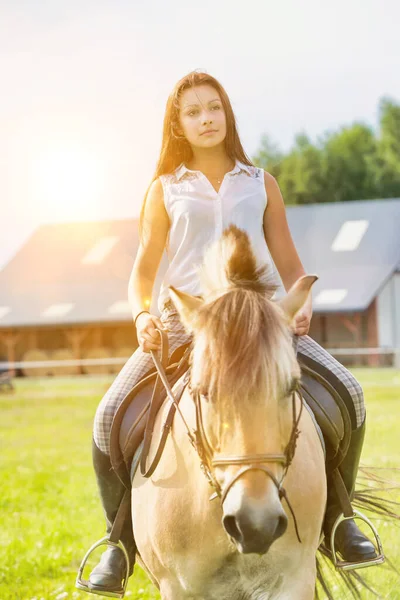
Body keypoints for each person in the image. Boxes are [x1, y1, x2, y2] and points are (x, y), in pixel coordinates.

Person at [84, 71, 376, 596]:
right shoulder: (165, 189)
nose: (206, 119)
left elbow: (287, 257)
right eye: (193, 112)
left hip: (261, 319)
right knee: (108, 418)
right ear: (178, 123)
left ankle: (338, 518)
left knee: (350, 394)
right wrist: (141, 316)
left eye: (214, 108)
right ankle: (120, 543)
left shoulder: (259, 181)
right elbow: (144, 272)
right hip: (184, 320)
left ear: (227, 113)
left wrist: (298, 302)